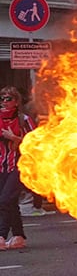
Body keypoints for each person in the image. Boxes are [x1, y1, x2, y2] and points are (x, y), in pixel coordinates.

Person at [0, 87, 36, 250]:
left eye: (8, 98)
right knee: (10, 202)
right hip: (2, 165)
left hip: (19, 165)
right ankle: (19, 236)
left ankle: (1, 235)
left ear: (16, 102)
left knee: (6, 199)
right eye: (1, 98)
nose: (4, 102)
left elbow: (35, 143)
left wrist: (13, 137)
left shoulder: (24, 120)